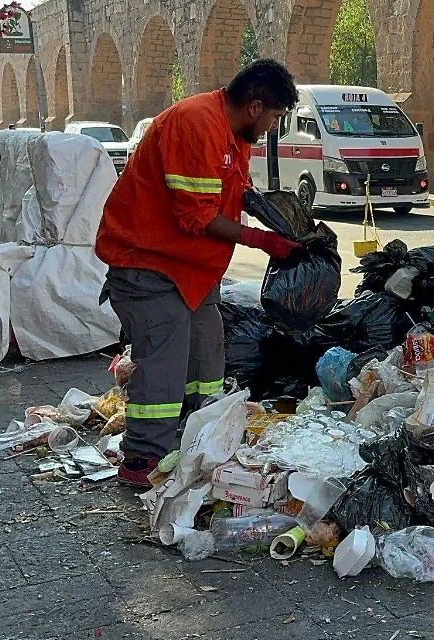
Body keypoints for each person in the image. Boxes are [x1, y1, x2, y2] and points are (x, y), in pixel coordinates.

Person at [96, 59, 303, 487]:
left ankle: (199, 435)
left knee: (208, 351)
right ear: (255, 106)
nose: (271, 127)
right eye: (275, 117)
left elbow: (232, 188)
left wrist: (281, 220)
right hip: (147, 262)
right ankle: (142, 459)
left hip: (191, 269)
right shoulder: (195, 123)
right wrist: (262, 241)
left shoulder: (233, 133)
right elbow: (196, 216)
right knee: (164, 364)